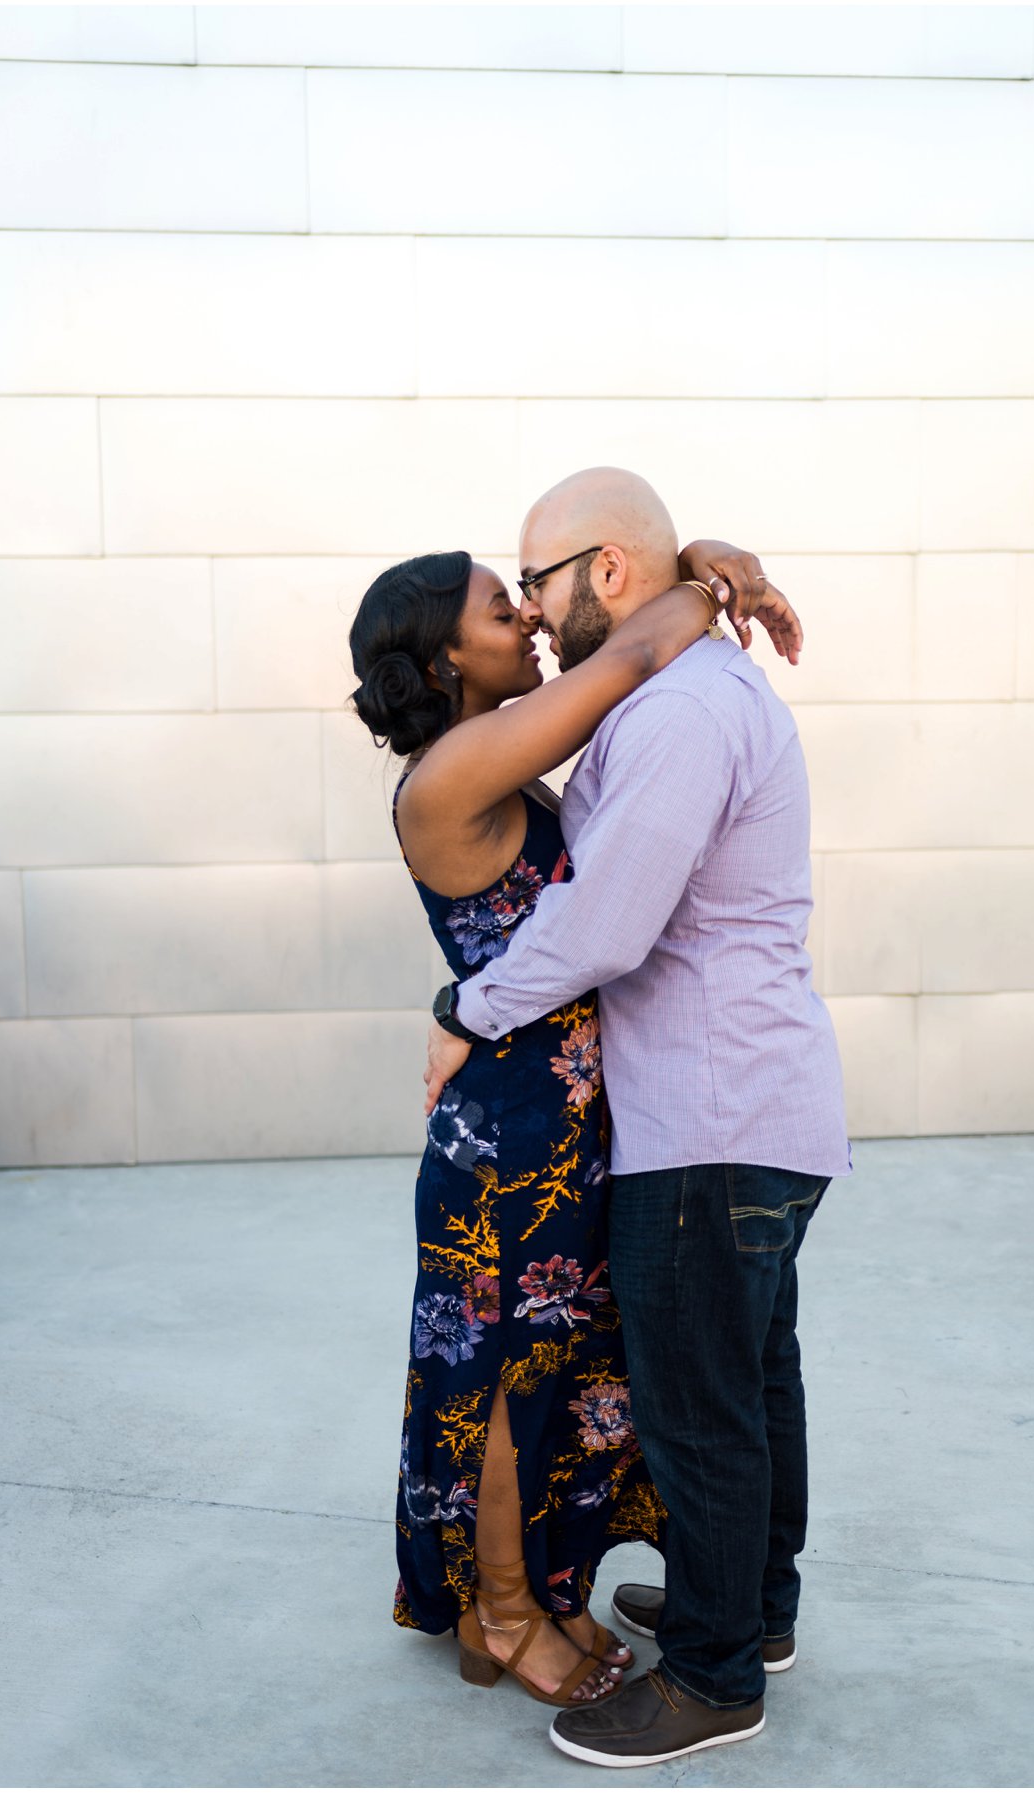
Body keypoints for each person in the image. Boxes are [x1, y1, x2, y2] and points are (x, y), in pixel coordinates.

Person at [423, 467, 851, 1767]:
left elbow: (609, 924)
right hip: (752, 1104)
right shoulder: (690, 686)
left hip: (710, 1116)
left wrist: (469, 1006)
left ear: (607, 569)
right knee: (756, 1377)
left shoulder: (679, 714)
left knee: (704, 1402)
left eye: (539, 582)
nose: (539, 619)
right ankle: (753, 1608)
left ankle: (715, 1675)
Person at [348, 536, 800, 1710]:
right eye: (505, 608)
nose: (531, 622)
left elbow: (639, 647)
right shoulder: (451, 770)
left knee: (556, 1370)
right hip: (512, 1138)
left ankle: (539, 1590)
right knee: (510, 1374)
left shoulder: (495, 757)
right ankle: (501, 1614)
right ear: (449, 652)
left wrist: (692, 561)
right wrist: (709, 575)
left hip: (566, 1118)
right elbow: (637, 648)